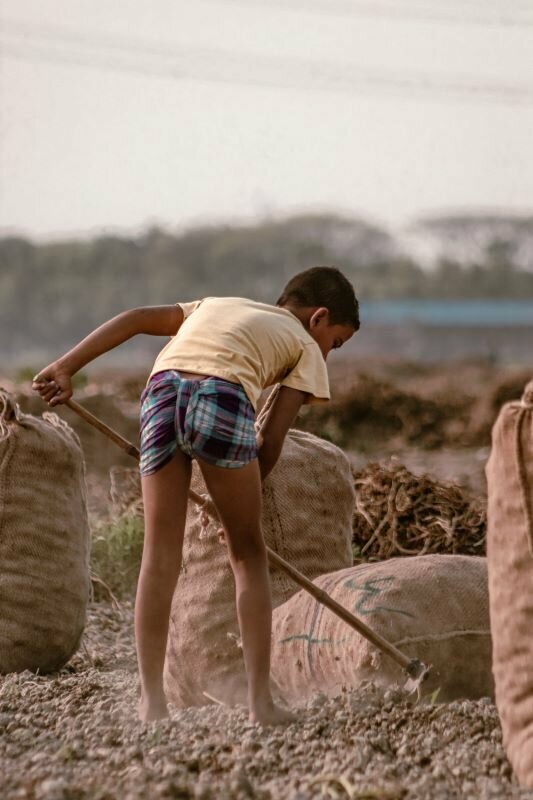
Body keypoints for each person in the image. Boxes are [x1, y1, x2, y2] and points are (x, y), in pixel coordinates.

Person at [33, 266, 359, 725]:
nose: (330, 353)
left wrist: (66, 367)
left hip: (161, 394)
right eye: (336, 343)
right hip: (223, 396)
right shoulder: (305, 346)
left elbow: (133, 318)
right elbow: (269, 442)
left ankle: (151, 702)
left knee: (158, 556)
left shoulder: (214, 306)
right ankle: (260, 703)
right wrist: (236, 503)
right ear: (319, 318)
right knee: (247, 554)